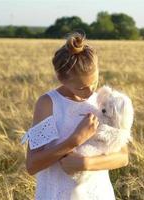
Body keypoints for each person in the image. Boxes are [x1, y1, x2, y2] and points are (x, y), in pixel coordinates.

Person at [21, 31, 129, 199]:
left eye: (94, 82)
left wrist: (85, 163)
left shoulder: (103, 102)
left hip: (97, 193)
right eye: (81, 87)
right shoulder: (48, 104)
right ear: (60, 78)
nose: (91, 91)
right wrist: (74, 140)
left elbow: (123, 157)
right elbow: (32, 165)